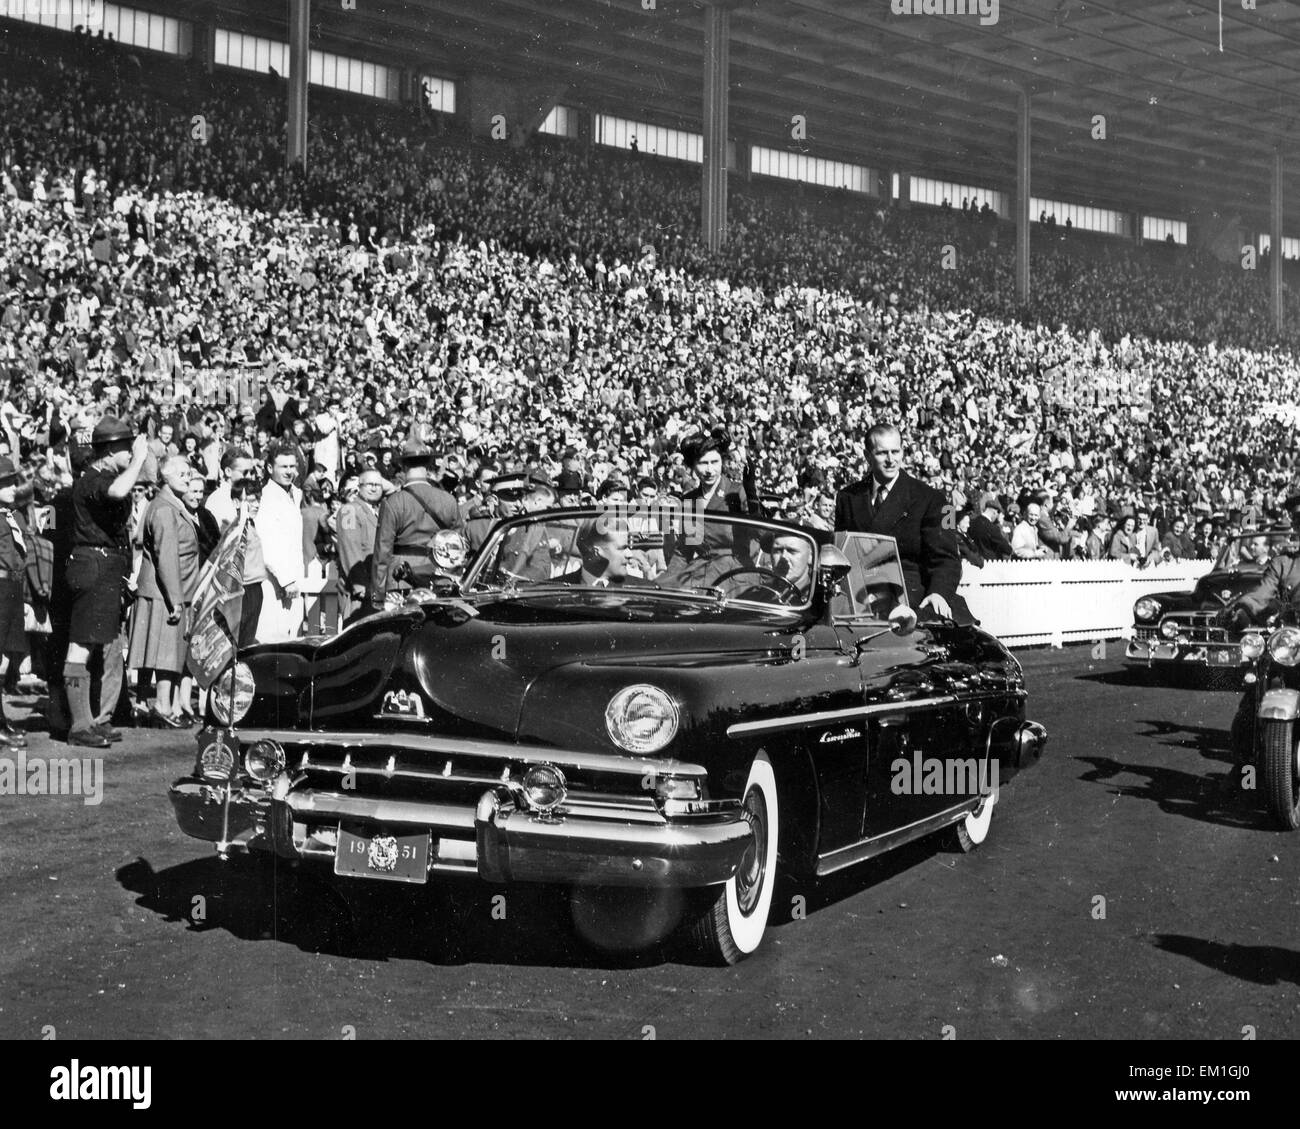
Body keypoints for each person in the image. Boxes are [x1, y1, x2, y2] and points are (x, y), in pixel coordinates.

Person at [63, 416, 150, 748]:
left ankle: (90, 720)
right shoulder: (94, 478)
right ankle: (80, 725)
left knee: (95, 644)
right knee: (81, 645)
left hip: (105, 564)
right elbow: (117, 491)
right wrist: (140, 458)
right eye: (127, 448)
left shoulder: (105, 474)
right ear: (111, 450)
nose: (131, 454)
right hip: (93, 564)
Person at [835, 423, 962, 619]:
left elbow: (948, 558)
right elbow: (841, 552)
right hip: (857, 598)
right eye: (882, 453)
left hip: (908, 600)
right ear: (867, 456)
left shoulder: (934, 499)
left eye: (895, 452)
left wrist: (938, 592)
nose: (890, 460)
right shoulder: (847, 497)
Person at [128, 455, 201, 728]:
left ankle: (145, 704)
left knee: (155, 651)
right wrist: (176, 600)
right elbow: (166, 557)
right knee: (165, 652)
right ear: (166, 477)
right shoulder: (164, 509)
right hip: (165, 592)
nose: (187, 476)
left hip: (165, 590)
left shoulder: (169, 504)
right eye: (181, 473)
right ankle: (162, 706)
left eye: (189, 472)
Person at [368, 439, 463, 609]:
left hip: (401, 580)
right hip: (439, 576)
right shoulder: (448, 500)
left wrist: (378, 595)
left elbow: (382, 552)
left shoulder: (393, 502)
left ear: (403, 467)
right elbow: (459, 546)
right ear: (427, 465)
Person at [254, 443, 306, 642]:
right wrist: (286, 579)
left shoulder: (295, 494)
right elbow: (266, 543)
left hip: (292, 580)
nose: (289, 471)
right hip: (276, 581)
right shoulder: (267, 497)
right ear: (270, 468)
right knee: (273, 638)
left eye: (292, 466)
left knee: (290, 636)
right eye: (283, 467)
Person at [0, 458, 33, 749]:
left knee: (8, 656)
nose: (13, 487)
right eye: (7, 482)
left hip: (12, 585)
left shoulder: (13, 515)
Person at [336, 468, 382, 619]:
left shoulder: (376, 512)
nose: (374, 488)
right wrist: (360, 587)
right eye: (369, 484)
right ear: (359, 487)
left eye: (378, 484)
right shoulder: (349, 510)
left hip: (374, 590)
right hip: (359, 591)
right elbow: (350, 550)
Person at [967, 494, 1013, 560]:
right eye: (997, 514)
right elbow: (1007, 549)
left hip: (974, 561)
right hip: (990, 563)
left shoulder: (972, 522)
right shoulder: (992, 528)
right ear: (994, 512)